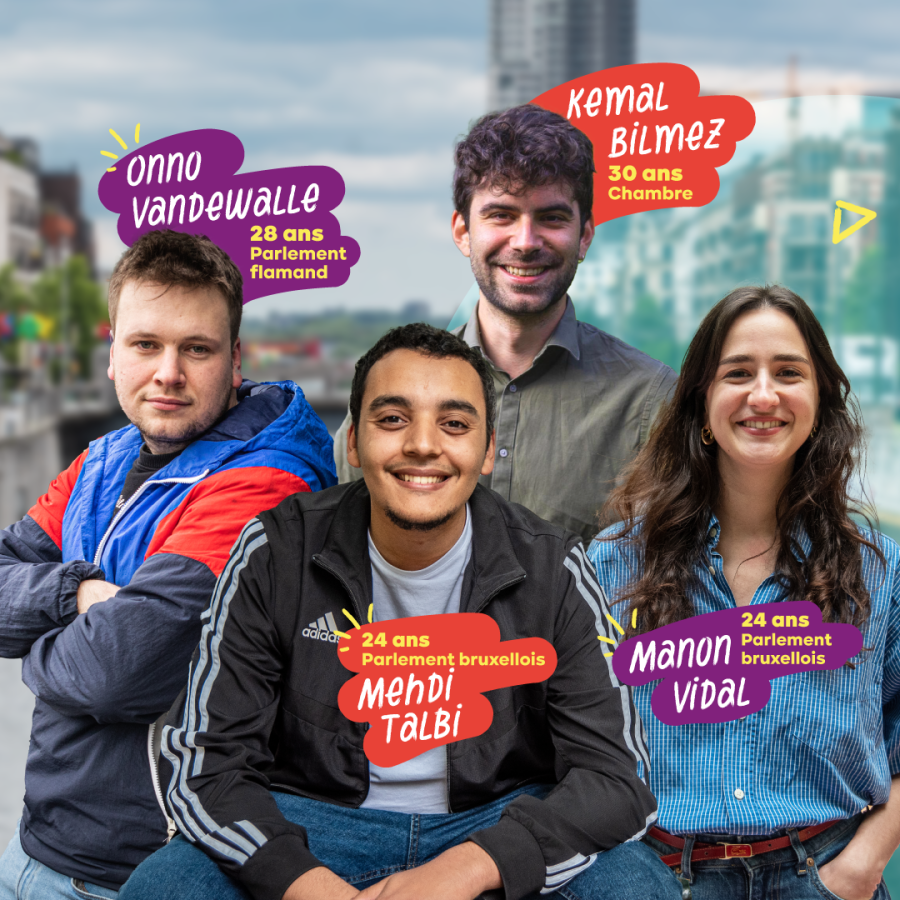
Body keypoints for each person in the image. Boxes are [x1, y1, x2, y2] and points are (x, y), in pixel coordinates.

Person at [119, 323, 665, 900]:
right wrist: (305, 885)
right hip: (312, 823)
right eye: (392, 419)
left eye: (454, 424)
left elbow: (616, 780)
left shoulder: (553, 567)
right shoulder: (276, 550)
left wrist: (467, 869)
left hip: (491, 824)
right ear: (353, 442)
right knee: (166, 885)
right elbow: (206, 762)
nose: (423, 445)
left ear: (485, 450)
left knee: (633, 884)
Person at [0, 229, 337, 900]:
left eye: (197, 349)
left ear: (235, 359)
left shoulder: (266, 485)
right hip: (38, 850)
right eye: (146, 344)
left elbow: (114, 674)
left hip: (160, 869)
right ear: (112, 352)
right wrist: (80, 595)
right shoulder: (102, 461)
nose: (168, 373)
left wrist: (35, 651)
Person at [587, 285, 900, 899]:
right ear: (702, 400)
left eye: (789, 372)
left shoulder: (879, 566)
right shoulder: (614, 563)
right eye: (737, 373)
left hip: (826, 873)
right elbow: (581, 749)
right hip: (660, 878)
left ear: (820, 398)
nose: (763, 395)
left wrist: (863, 863)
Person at [335, 104, 676, 545]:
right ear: (462, 232)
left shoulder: (652, 403)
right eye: (501, 215)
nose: (526, 242)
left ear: (585, 236)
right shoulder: (382, 394)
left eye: (551, 218)